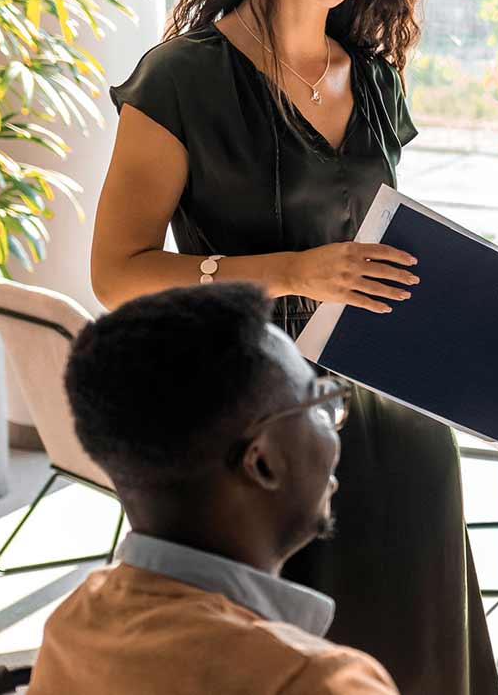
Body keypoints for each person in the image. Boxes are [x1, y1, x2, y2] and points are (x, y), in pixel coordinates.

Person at [89, 0, 498, 694]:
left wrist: (494, 365)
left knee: (412, 662)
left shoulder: (374, 79)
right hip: (250, 437)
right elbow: (118, 275)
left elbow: (388, 263)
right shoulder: (181, 78)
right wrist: (293, 272)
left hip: (390, 429)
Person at [30, 283, 395, 694]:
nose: (334, 425)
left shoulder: (69, 626)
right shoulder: (316, 680)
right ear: (262, 461)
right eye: (320, 405)